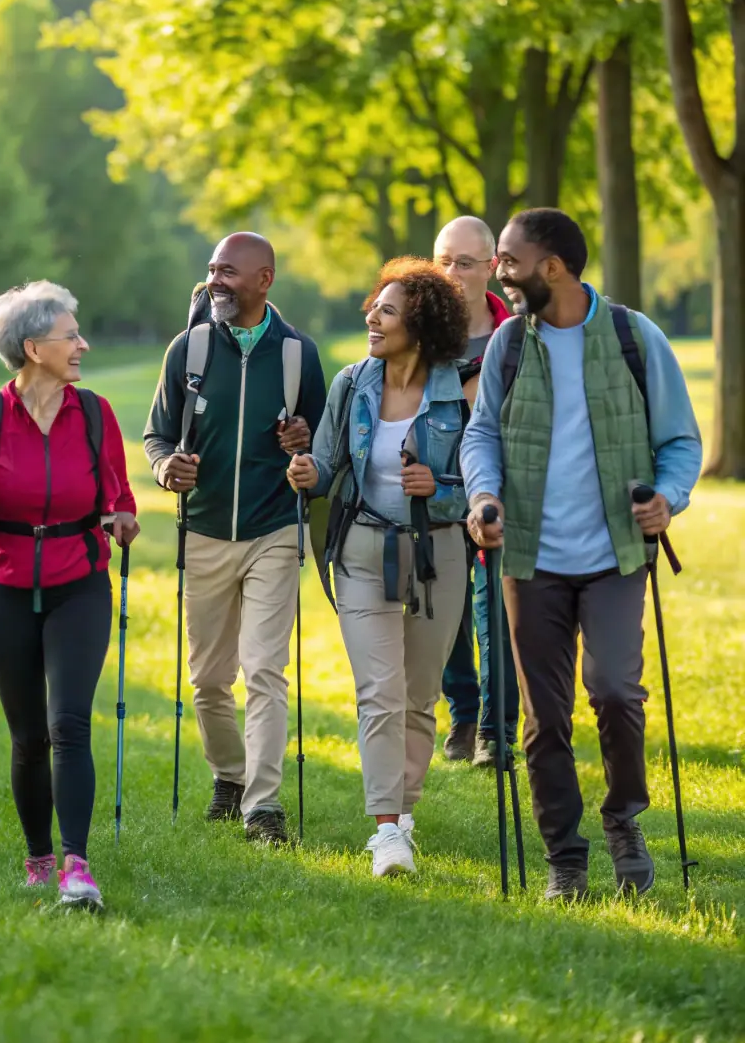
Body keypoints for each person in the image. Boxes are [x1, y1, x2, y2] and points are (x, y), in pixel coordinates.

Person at [462, 209, 703, 902]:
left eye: (508, 259)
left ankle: (624, 818)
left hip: (615, 555)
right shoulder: (507, 346)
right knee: (544, 718)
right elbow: (482, 437)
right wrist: (484, 496)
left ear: (553, 268)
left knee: (617, 691)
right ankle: (564, 855)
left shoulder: (634, 337)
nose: (498, 273)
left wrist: (668, 495)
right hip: (529, 555)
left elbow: (680, 440)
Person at [0, 282, 137, 912]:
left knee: (69, 723)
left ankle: (77, 866)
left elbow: (120, 496)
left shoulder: (96, 413)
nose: (83, 344)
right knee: (28, 737)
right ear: (32, 347)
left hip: (79, 583)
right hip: (3, 588)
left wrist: (123, 520)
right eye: (70, 335)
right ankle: (38, 856)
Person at [289, 258, 478, 878]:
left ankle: (404, 808)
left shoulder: (459, 388)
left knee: (419, 698)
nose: (372, 316)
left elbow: (481, 480)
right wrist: (307, 473)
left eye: (387, 310)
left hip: (438, 551)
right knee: (379, 693)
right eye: (375, 305)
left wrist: (441, 489)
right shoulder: (353, 382)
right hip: (363, 549)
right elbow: (325, 461)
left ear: (419, 325)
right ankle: (388, 830)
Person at [144, 233, 326, 845]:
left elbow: (323, 447)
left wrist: (304, 443)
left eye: (228, 271)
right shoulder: (189, 348)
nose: (215, 280)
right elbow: (156, 436)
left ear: (264, 279)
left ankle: (264, 807)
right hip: (203, 531)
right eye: (212, 269)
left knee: (265, 672)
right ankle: (230, 775)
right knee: (208, 680)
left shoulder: (298, 353)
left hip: (274, 529)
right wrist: (167, 467)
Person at [433, 216, 520, 767]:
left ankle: (496, 729)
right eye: (443, 260)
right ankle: (462, 713)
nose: (452, 272)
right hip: (433, 490)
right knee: (446, 609)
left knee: (496, 609)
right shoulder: (418, 332)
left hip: (497, 490)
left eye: (464, 262)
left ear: (490, 266)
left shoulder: (516, 332)